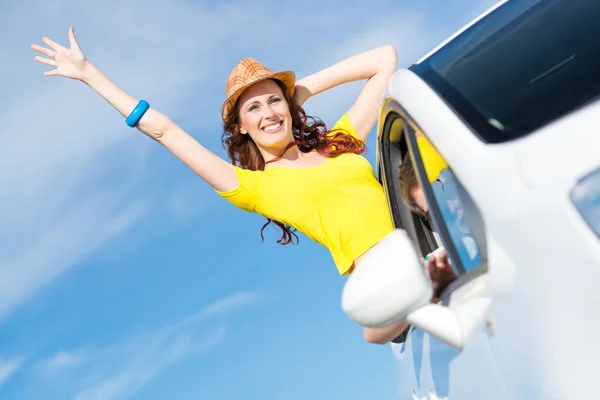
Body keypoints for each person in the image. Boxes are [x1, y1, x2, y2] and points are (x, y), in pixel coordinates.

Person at [30, 27, 447, 345]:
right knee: (376, 328)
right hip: (386, 282)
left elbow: (384, 60)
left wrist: (293, 93)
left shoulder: (339, 142)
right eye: (253, 107)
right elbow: (164, 131)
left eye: (273, 101)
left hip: (436, 245)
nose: (267, 112)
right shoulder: (254, 188)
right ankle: (412, 298)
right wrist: (90, 75)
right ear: (241, 128)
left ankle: (428, 284)